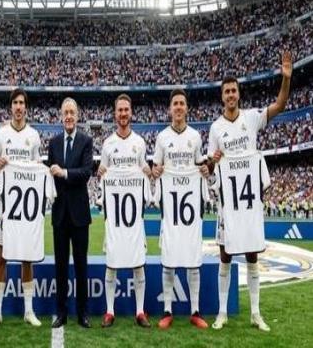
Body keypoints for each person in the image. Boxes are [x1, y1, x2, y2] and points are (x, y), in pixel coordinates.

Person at [209, 51, 292, 332]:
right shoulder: (216, 128)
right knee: (225, 255)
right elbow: (210, 168)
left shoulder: (252, 118)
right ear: (222, 97)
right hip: (227, 204)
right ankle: (222, 313)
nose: (231, 95)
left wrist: (286, 79)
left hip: (249, 202)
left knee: (252, 254)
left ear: (239, 94)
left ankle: (256, 313)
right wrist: (213, 161)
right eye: (227, 92)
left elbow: (280, 105)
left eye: (234, 90)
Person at [151, 89, 210, 330]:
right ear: (170, 109)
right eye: (175, 103)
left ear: (187, 108)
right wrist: (155, 171)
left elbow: (201, 165)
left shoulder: (195, 137)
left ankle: (195, 311)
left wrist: (204, 169)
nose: (178, 107)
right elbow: (155, 167)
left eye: (181, 103)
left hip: (191, 209)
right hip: (170, 209)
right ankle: (167, 311)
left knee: (193, 258)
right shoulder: (162, 137)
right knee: (169, 258)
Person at [0, 88, 42, 328]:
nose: (19, 107)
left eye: (22, 103)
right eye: (15, 103)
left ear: (26, 107)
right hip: (5, 206)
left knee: (26, 259)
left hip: (25, 209)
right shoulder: (1, 134)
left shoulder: (34, 136)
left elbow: (38, 169)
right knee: (1, 258)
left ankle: (29, 311)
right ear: (11, 107)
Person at [97, 94, 151, 328]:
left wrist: (147, 171)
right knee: (112, 262)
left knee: (138, 262)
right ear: (115, 113)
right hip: (115, 216)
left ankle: (140, 311)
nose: (123, 114)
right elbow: (102, 171)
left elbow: (144, 168)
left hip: (134, 216)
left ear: (131, 112)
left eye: (126, 110)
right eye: (119, 110)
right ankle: (110, 311)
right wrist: (101, 172)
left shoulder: (139, 142)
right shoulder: (108, 144)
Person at [48, 97, 93, 328]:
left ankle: (83, 313)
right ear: (61, 116)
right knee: (61, 266)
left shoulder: (86, 141)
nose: (68, 116)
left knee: (81, 265)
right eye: (65, 113)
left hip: (79, 214)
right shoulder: (53, 143)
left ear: (77, 115)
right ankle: (61, 312)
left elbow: (86, 172)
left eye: (72, 113)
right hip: (59, 214)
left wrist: (64, 173)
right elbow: (49, 175)